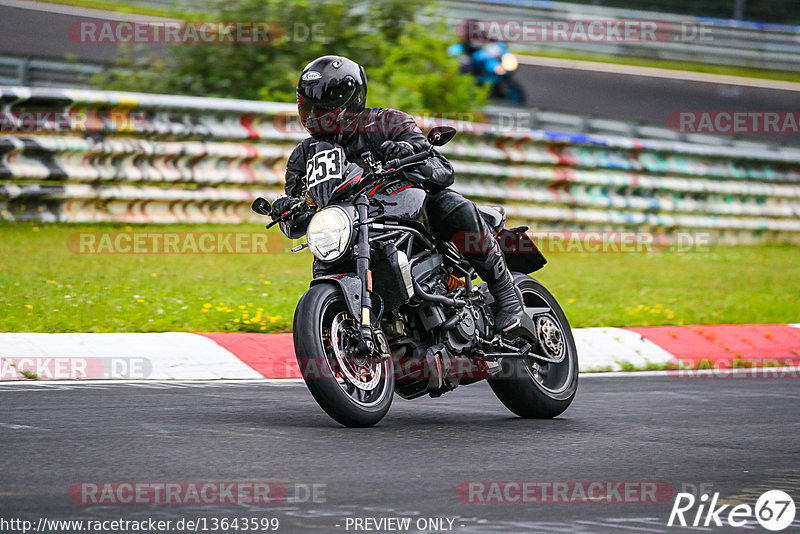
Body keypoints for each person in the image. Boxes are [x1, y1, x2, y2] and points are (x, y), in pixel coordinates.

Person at [271, 55, 532, 338]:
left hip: (401, 207)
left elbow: (442, 171)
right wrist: (290, 209)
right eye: (307, 106)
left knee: (452, 203)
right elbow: (297, 217)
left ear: (347, 99)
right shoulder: (303, 155)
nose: (313, 114)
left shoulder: (386, 122)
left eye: (321, 107)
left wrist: (407, 155)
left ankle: (506, 293)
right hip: (348, 226)